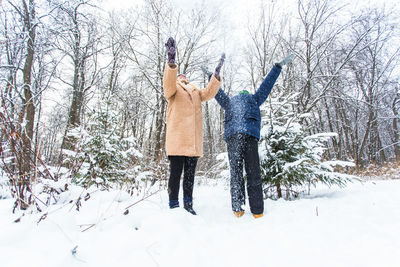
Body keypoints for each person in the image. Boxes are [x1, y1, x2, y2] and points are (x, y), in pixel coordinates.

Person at [204, 54, 294, 218]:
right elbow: (266, 86)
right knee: (253, 172)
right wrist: (277, 67)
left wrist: (210, 76)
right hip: (249, 135)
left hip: (234, 137)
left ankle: (238, 209)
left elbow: (217, 92)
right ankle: (257, 210)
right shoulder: (253, 99)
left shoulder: (230, 101)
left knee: (236, 173)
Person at [163, 37, 225, 215]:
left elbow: (209, 93)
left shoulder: (196, 91)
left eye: (184, 76)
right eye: (180, 76)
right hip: (177, 140)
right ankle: (173, 204)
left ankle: (188, 205)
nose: (183, 77)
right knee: (175, 174)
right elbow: (167, 85)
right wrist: (171, 63)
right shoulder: (173, 88)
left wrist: (216, 75)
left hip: (193, 143)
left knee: (190, 176)